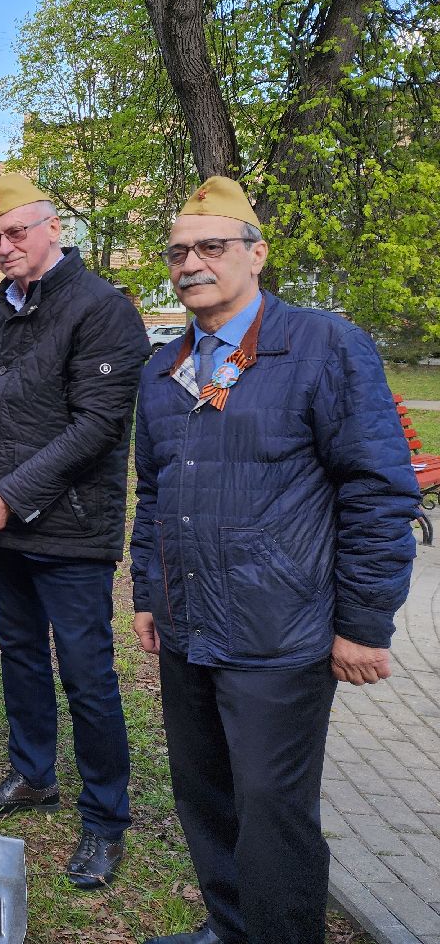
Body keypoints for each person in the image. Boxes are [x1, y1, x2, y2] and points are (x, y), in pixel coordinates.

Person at [129, 177, 418, 944]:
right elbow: (153, 495)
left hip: (279, 634)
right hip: (191, 627)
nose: (191, 262)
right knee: (205, 794)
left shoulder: (322, 346)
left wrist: (363, 624)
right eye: (178, 251)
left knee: (273, 809)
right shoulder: (164, 373)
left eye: (212, 246)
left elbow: (379, 489)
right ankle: (230, 927)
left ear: (256, 255)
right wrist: (149, 594)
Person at [0, 172, 147, 889]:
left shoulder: (103, 309)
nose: (3, 246)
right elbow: (1, 404)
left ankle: (105, 817)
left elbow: (95, 426)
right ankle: (34, 775)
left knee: (87, 675)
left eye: (16, 232)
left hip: (71, 527)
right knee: (20, 654)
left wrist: (7, 497)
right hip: (7, 524)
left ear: (53, 228)